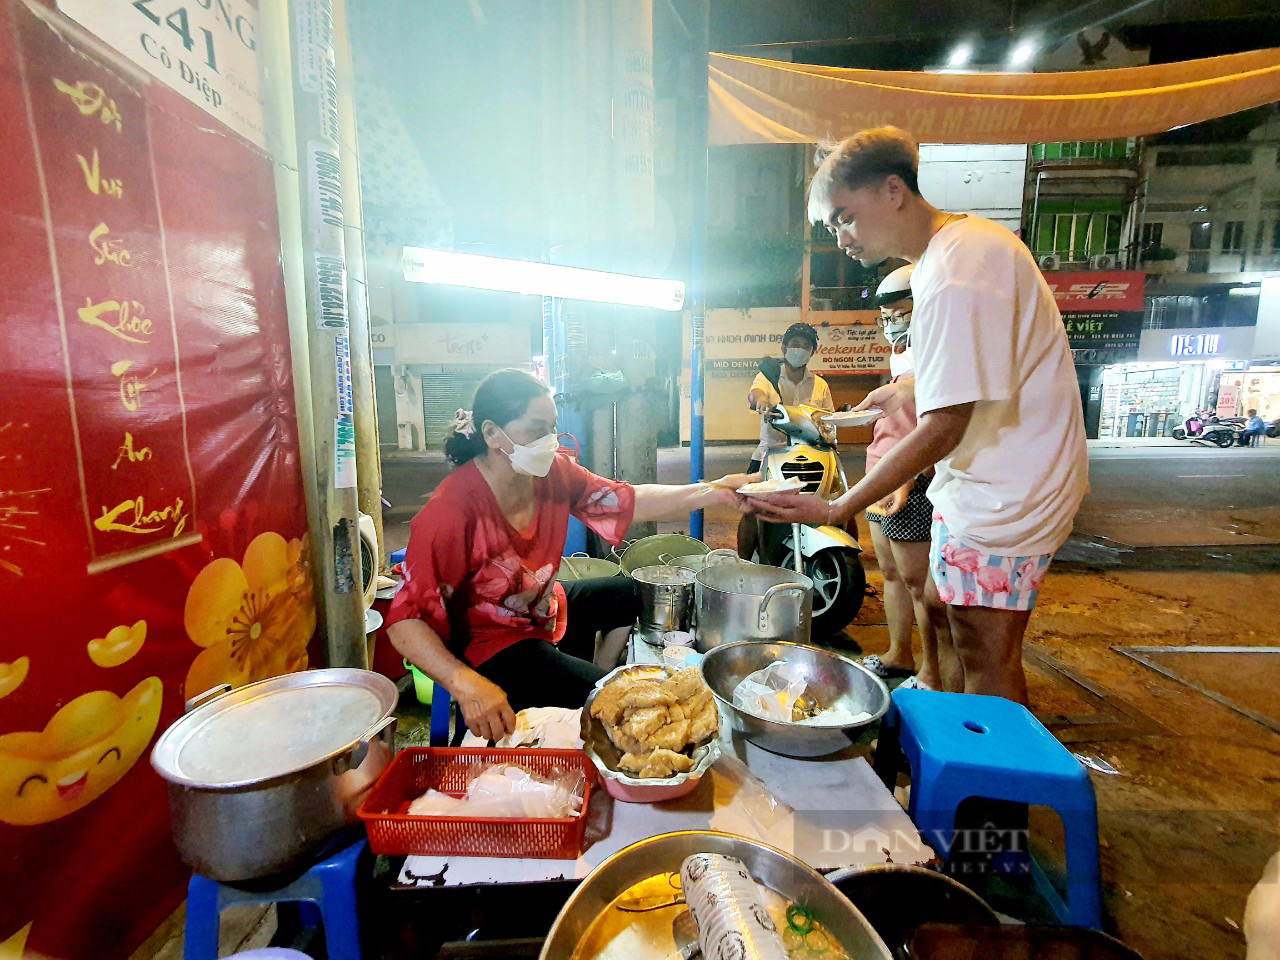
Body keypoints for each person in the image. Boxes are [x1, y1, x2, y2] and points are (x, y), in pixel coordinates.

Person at [752, 126, 1089, 704]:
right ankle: (954, 741)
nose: (841, 239)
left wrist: (839, 505)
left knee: (987, 655)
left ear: (892, 190)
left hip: (1008, 494)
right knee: (936, 606)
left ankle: (985, 786)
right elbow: (979, 374)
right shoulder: (957, 252)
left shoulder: (956, 267)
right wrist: (905, 390)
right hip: (983, 483)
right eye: (831, 227)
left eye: (845, 217)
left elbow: (946, 424)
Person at [386, 368, 749, 741]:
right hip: (489, 643)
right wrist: (465, 685)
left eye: (552, 428)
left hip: (540, 610)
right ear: (492, 434)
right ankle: (591, 693)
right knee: (622, 701)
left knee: (629, 592)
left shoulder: (553, 473)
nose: (549, 440)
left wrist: (712, 491)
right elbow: (404, 622)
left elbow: (626, 498)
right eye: (536, 429)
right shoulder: (451, 512)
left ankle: (588, 683)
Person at [859, 265, 946, 691]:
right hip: (882, 474)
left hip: (910, 482)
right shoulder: (902, 359)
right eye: (887, 314)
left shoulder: (940, 357)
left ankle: (932, 671)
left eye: (900, 312)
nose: (892, 321)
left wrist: (909, 475)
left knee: (920, 583)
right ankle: (900, 652)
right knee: (891, 573)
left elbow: (940, 431)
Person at [737, 321, 834, 560]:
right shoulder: (769, 376)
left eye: (805, 346)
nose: (799, 350)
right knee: (750, 508)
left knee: (839, 503)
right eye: (794, 344)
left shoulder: (820, 385)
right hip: (770, 453)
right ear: (784, 348)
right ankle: (743, 563)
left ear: (813, 351)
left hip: (813, 455)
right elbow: (755, 392)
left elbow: (830, 420)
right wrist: (760, 401)